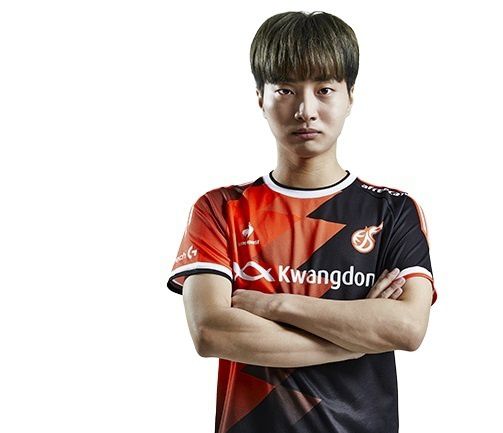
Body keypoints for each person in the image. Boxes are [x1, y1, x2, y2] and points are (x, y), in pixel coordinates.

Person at [167, 10, 437, 433]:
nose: (305, 110)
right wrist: (354, 340)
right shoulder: (220, 208)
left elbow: (406, 328)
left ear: (350, 97)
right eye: (286, 90)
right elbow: (211, 332)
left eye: (324, 89)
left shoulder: (393, 210)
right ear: (261, 98)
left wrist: (272, 304)